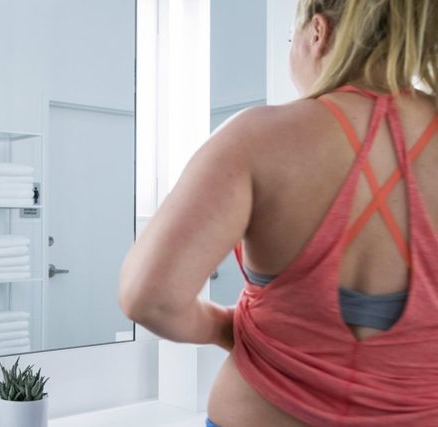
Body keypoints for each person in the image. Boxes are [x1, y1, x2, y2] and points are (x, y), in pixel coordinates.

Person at [119, 0, 438, 425]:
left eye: (292, 38)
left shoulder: (258, 136)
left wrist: (224, 327)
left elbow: (149, 298)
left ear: (318, 32)